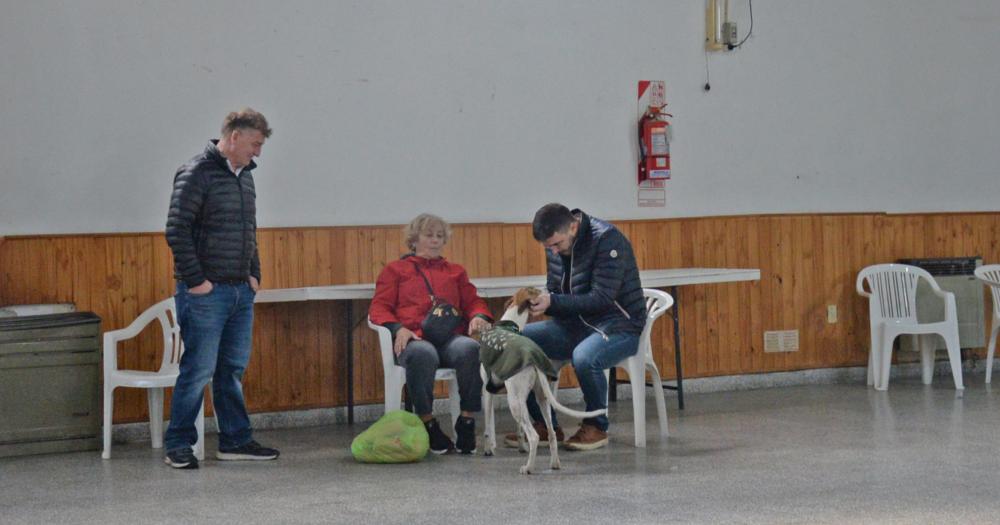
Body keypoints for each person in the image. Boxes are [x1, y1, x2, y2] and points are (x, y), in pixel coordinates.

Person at [163, 108, 279, 469]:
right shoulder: (196, 172)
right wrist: (197, 281)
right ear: (234, 137)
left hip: (239, 291)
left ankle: (235, 440)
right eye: (255, 144)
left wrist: (253, 274)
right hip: (205, 294)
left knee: (231, 369)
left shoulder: (246, 178)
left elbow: (249, 231)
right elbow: (176, 230)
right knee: (198, 369)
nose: (258, 152)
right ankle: (179, 444)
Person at [505, 203, 646, 450]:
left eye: (556, 245)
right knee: (516, 342)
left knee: (584, 357)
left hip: (619, 325)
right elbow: (555, 290)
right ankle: (545, 426)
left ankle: (597, 426)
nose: (553, 251)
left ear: (573, 226)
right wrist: (538, 301)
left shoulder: (608, 240)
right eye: (548, 247)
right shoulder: (556, 243)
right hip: (575, 324)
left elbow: (602, 298)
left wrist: (553, 301)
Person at [369, 213, 493, 455]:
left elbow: (473, 301)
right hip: (414, 337)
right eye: (429, 235)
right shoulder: (395, 270)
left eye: (439, 236)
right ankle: (427, 422)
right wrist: (397, 328)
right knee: (422, 354)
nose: (435, 241)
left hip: (449, 338)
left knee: (469, 349)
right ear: (414, 239)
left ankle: (466, 420)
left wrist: (479, 316)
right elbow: (379, 308)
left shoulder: (455, 272)